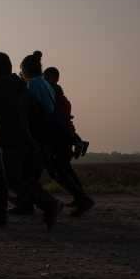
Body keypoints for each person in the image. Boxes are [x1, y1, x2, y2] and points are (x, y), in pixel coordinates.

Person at [0, 52, 63, 230]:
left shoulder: (1, 85)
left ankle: (50, 204)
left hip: (10, 139)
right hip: (21, 137)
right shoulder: (18, 82)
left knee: (15, 180)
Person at [43, 66, 94, 216]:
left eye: (46, 77)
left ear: (51, 78)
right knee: (65, 170)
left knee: (58, 172)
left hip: (59, 139)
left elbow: (60, 121)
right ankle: (80, 198)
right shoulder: (61, 96)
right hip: (63, 137)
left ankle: (82, 199)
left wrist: (73, 138)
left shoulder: (53, 94)